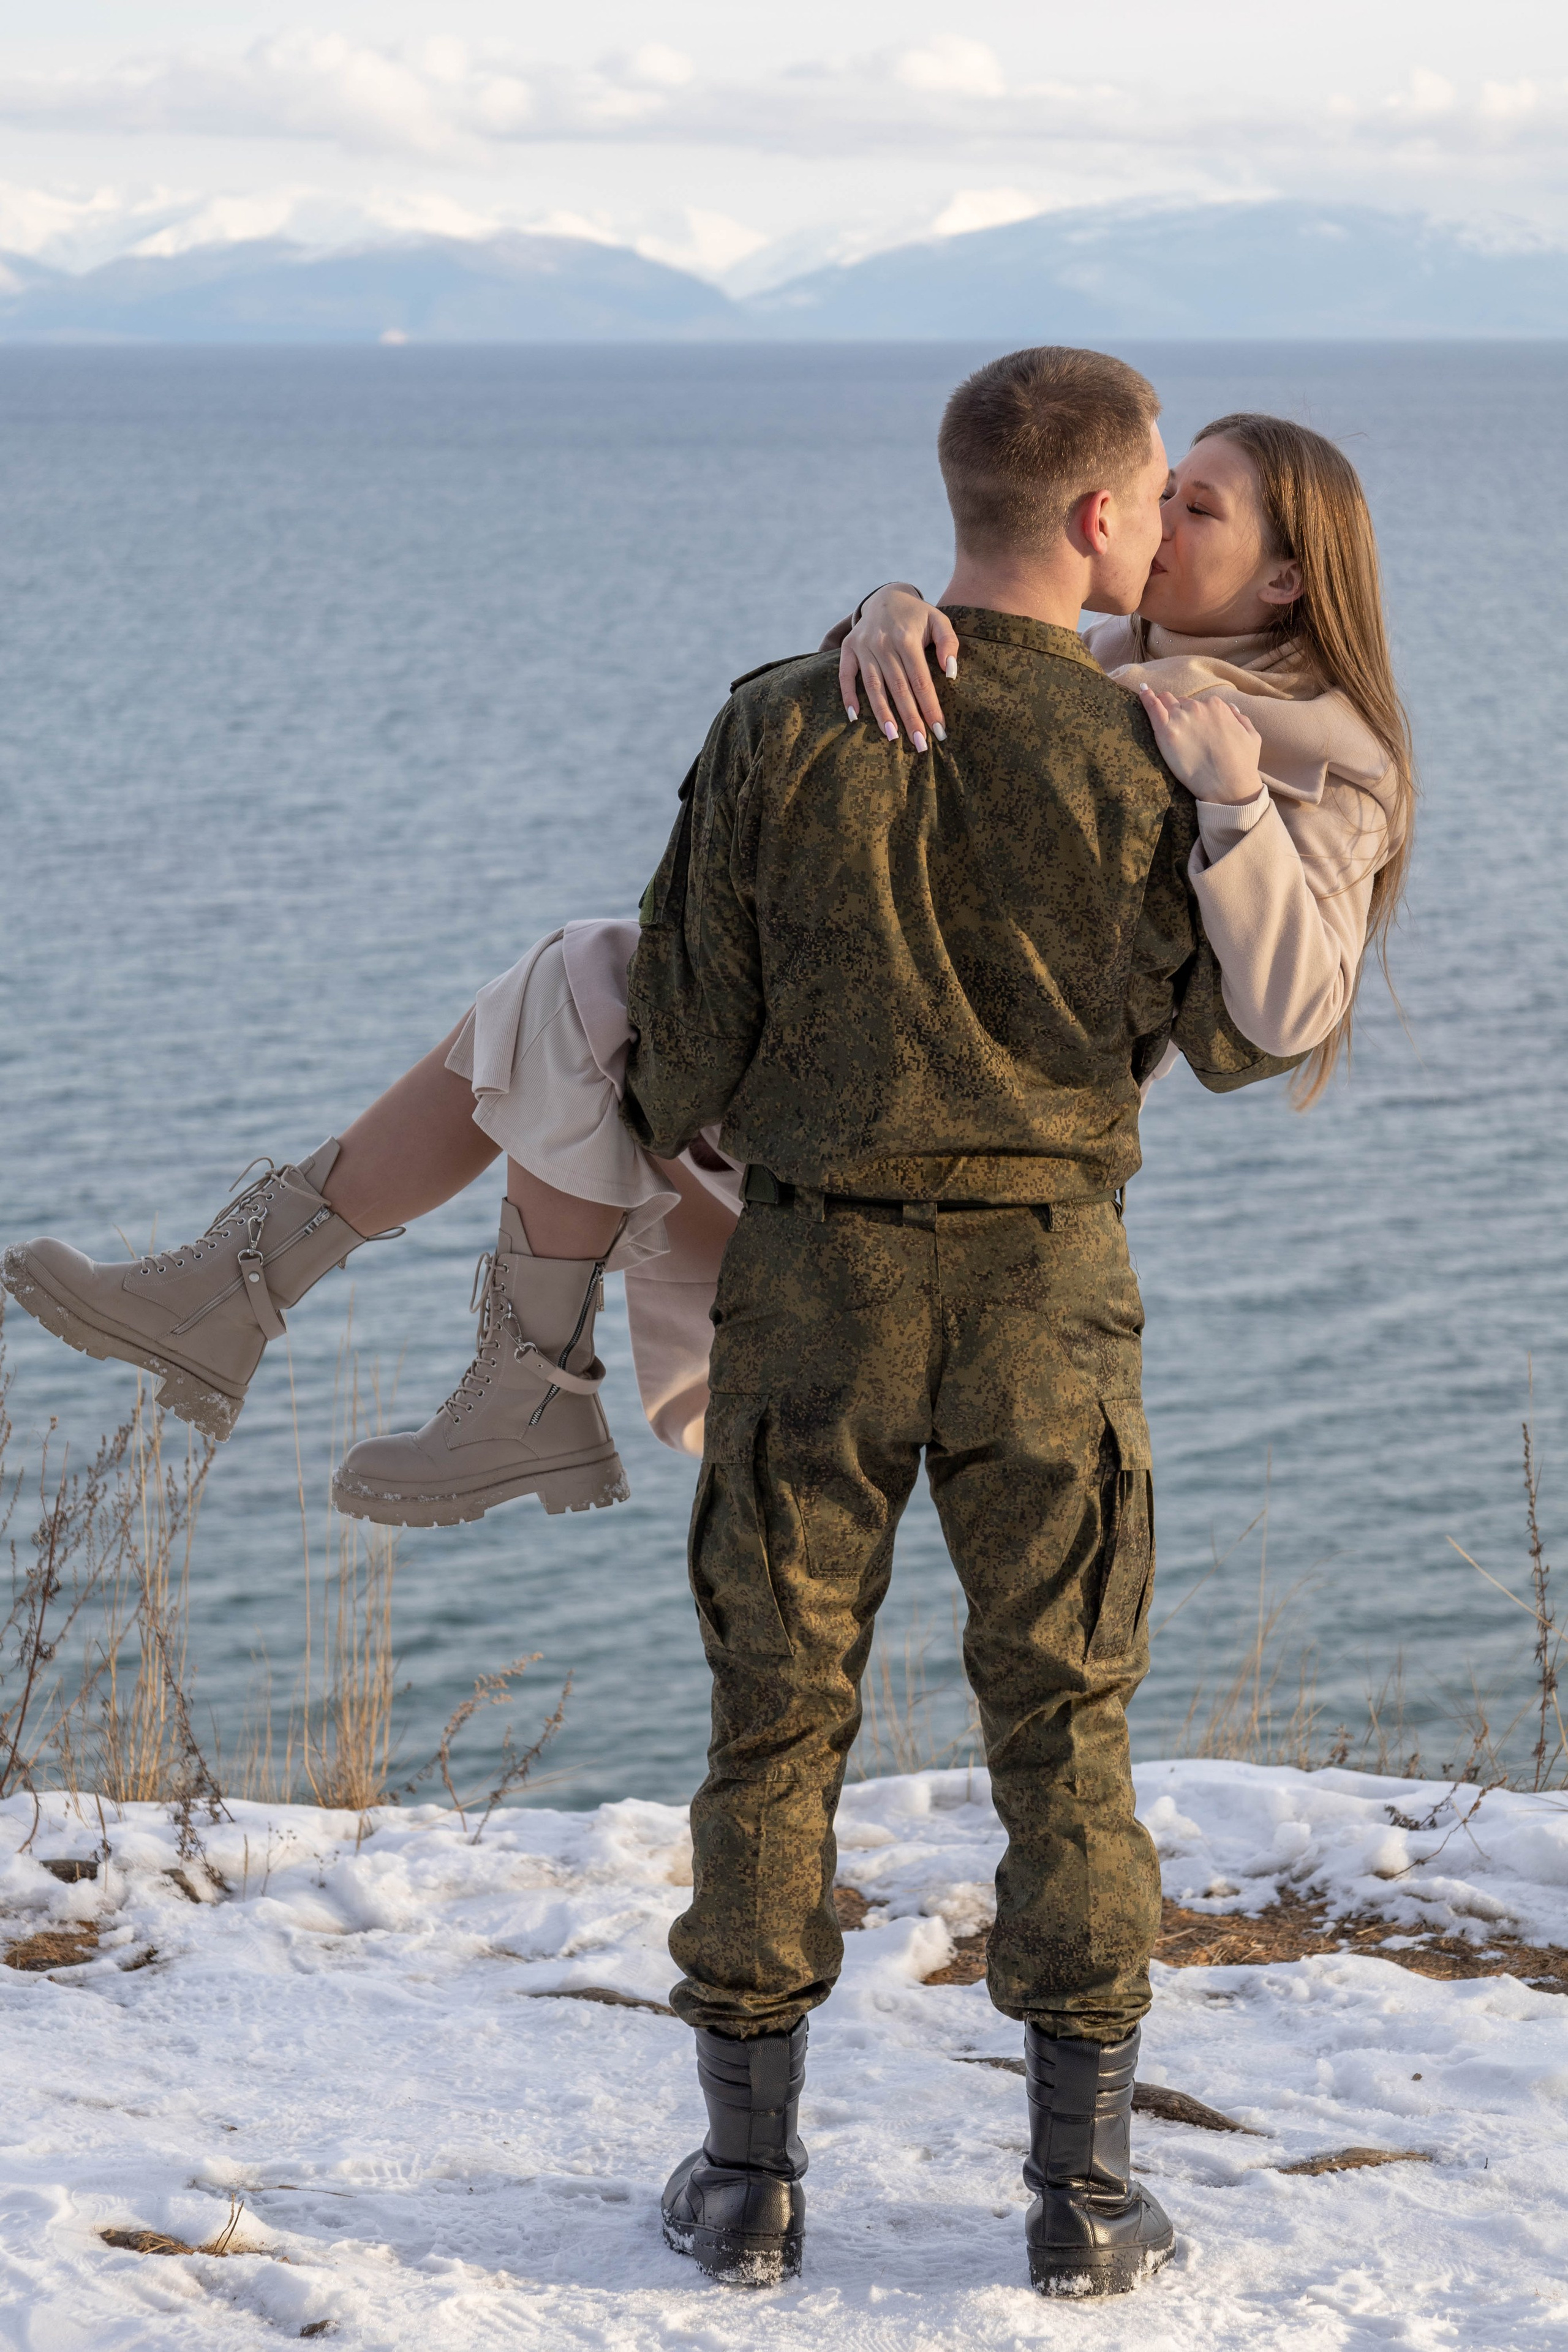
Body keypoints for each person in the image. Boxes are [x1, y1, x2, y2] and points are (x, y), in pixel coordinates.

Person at [1, 409, 1412, 1515]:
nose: (1161, 517)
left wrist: (1233, 801)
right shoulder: (1100, 662)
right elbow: (993, 654)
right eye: (1163, 493)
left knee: (579, 984)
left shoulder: (1326, 757)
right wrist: (885, 604)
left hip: (974, 1132)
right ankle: (409, 1352)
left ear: (1284, 576)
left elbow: (1286, 1015)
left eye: (1199, 504)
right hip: (879, 1062)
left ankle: (366, 1330)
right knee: (580, 982)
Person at [613, 343, 1303, 2297]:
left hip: (816, 1278)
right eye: (1158, 495)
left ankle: (748, 2194)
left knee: (777, 1717)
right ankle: (1083, 2204)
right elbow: (1247, 1044)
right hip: (1045, 1295)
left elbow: (677, 1055)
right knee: (1065, 1730)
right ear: (1097, 520)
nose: (1166, 527)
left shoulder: (779, 723)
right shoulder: (1136, 750)